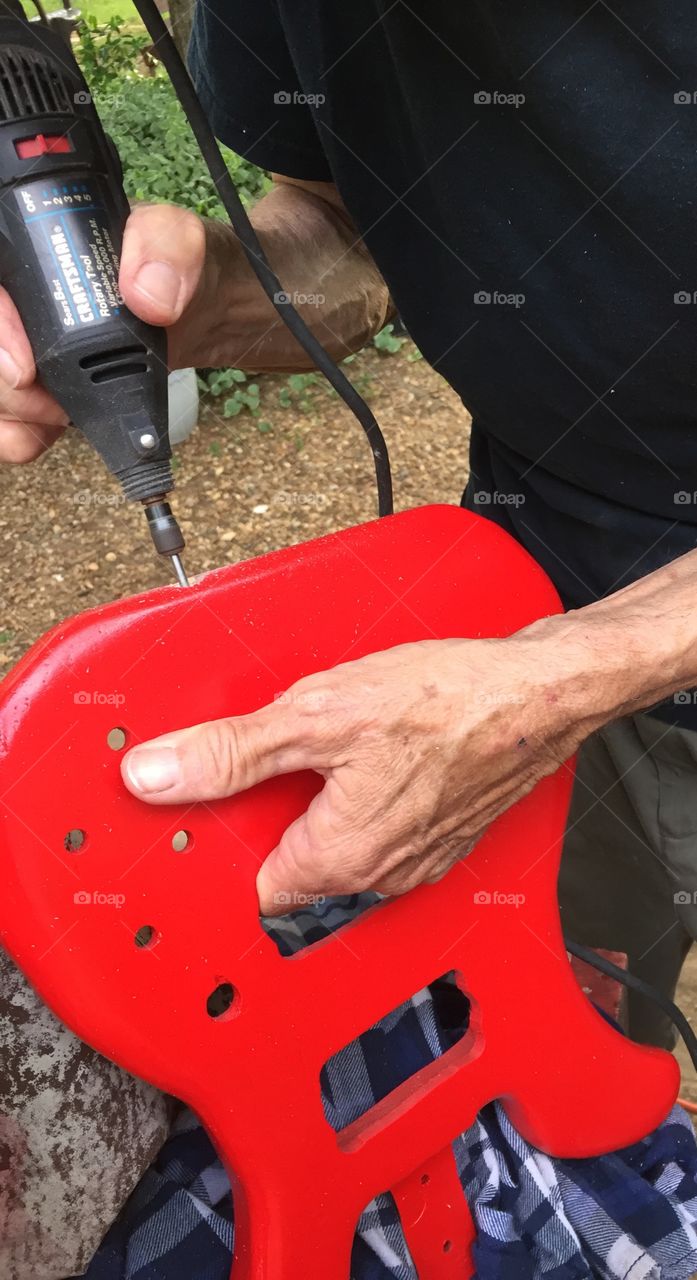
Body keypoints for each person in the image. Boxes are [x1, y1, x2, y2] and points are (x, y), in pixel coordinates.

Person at [2, 0, 697, 1176]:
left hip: (556, 659)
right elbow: (347, 232)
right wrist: (205, 295)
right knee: (575, 991)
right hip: (540, 578)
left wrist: (570, 676)